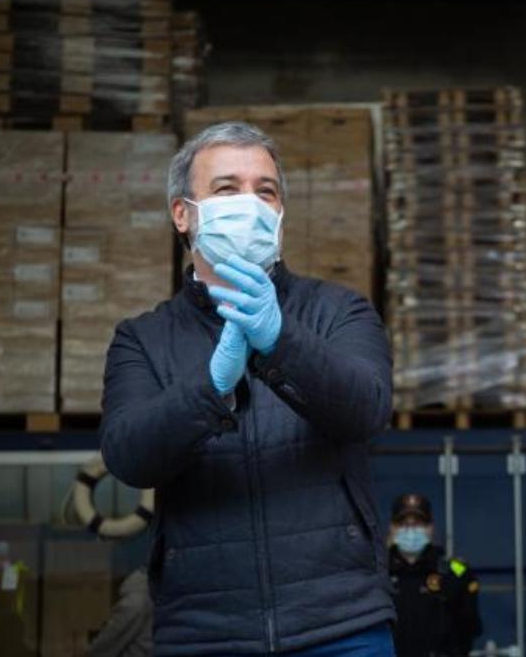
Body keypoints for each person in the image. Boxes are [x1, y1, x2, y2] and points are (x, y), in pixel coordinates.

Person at [100, 122, 395, 655]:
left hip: (341, 621)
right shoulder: (142, 340)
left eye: (266, 191)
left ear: (280, 213)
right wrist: (211, 386)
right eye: (226, 189)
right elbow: (128, 455)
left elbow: (367, 409)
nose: (250, 203)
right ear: (182, 215)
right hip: (203, 630)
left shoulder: (338, 311)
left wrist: (281, 342)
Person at [386, 493, 482, 657]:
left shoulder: (455, 574)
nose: (411, 530)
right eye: (403, 523)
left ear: (431, 528)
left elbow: (469, 629)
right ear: (392, 528)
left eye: (418, 523)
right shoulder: (376, 574)